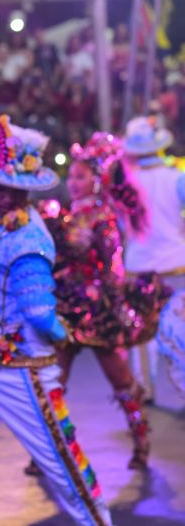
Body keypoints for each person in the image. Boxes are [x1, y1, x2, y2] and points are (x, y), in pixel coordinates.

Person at [0, 116, 113, 526]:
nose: (6, 195)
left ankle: (97, 522)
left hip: (19, 365)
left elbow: (39, 313)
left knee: (62, 461)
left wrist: (60, 332)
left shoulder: (29, 236)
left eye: (15, 188)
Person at [40, 132, 168, 470]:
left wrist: (115, 305)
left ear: (98, 180)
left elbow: (112, 267)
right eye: (72, 176)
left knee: (120, 379)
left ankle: (141, 441)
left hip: (97, 310)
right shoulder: (65, 214)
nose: (74, 182)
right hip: (66, 307)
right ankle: (46, 451)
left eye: (81, 176)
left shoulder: (103, 217)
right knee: (54, 382)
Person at [121, 115, 185, 403]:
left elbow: (124, 229)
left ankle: (145, 389)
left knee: (141, 336)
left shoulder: (126, 184)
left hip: (140, 266)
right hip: (176, 264)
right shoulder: (177, 178)